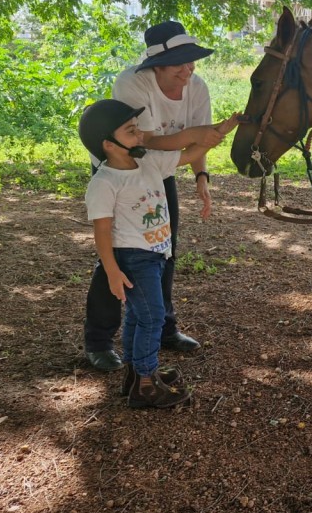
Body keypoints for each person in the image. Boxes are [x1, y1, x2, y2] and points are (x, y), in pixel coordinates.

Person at [79, 99, 241, 407]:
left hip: (156, 254)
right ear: (108, 144)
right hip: (132, 258)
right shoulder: (104, 182)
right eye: (130, 131)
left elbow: (191, 153)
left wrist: (220, 132)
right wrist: (112, 271)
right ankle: (146, 383)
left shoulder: (149, 162)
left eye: (137, 128)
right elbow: (101, 232)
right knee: (152, 319)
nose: (140, 135)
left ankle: (135, 373)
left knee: (139, 318)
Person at [84, 21, 222, 371]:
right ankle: (98, 340)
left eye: (192, 62)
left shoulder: (197, 86)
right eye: (180, 63)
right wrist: (192, 134)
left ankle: (163, 328)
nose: (188, 70)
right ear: (156, 66)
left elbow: (199, 143)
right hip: (121, 170)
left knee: (162, 247)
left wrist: (201, 175)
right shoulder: (132, 83)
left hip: (160, 171)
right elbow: (142, 141)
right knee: (118, 255)